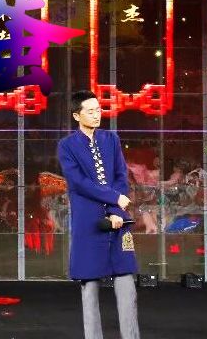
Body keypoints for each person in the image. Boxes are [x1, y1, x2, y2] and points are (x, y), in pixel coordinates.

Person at [57, 90, 140, 339]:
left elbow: (120, 177)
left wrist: (115, 211)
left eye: (98, 110)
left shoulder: (111, 139)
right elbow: (79, 183)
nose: (96, 115)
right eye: (90, 111)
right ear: (77, 115)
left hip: (118, 220)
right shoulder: (67, 146)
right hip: (88, 222)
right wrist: (114, 198)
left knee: (126, 284)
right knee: (89, 287)